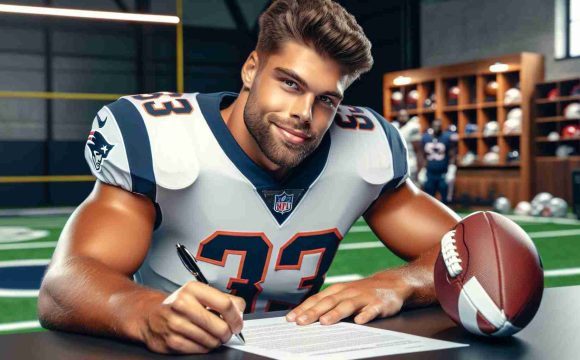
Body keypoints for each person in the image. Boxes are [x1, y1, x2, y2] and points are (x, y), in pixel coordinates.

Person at [38, 0, 459, 355]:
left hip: (304, 346)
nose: (304, 113)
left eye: (326, 99)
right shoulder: (159, 137)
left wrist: (401, 283)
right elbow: (64, 284)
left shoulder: (364, 147)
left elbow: (476, 253)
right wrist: (146, 313)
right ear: (251, 68)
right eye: (290, 83)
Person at [417, 118, 458, 204]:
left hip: (443, 172)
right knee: (428, 198)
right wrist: (422, 169)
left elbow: (452, 154)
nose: (437, 128)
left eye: (439, 126)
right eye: (435, 126)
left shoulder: (447, 137)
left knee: (445, 198)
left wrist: (451, 169)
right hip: (430, 172)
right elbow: (421, 154)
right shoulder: (425, 138)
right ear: (432, 127)